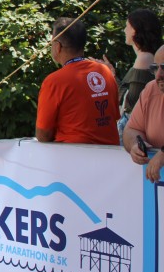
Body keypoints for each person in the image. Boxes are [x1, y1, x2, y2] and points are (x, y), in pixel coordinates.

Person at [36, 17, 120, 144]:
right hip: (111, 151)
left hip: (74, 153)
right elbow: (114, 117)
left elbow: (43, 135)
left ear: (58, 46)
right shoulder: (105, 71)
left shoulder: (54, 82)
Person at [109, 9, 161, 140]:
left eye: (127, 26)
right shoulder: (146, 57)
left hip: (134, 132)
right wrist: (112, 74)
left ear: (136, 30)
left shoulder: (144, 59)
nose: (124, 30)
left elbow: (131, 103)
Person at [123, 44, 164, 182]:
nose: (158, 75)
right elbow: (131, 129)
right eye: (155, 68)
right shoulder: (151, 89)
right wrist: (135, 145)